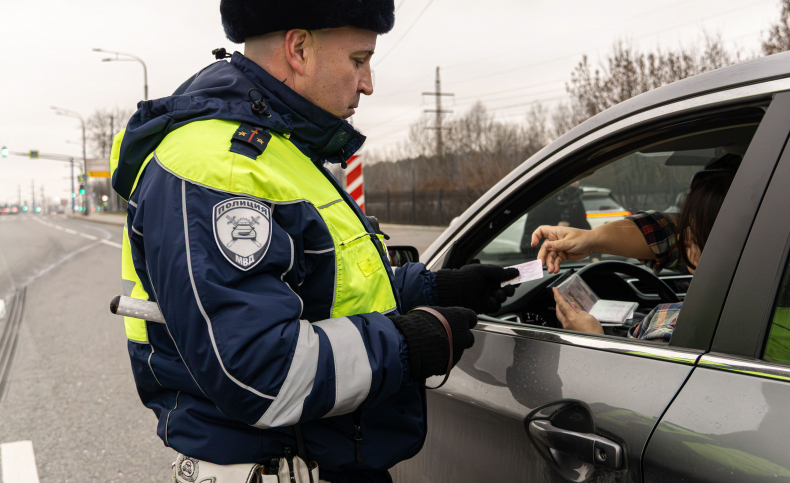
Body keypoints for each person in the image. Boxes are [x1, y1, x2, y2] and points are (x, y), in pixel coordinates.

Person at [109, 2, 518, 482]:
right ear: (299, 48)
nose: (368, 83)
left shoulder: (282, 150)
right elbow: (262, 372)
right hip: (279, 466)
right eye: (359, 61)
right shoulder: (222, 167)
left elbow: (322, 288)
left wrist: (431, 290)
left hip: (318, 459)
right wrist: (408, 343)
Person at [531, 168, 735, 342]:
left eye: (690, 234)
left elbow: (634, 383)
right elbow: (662, 234)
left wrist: (591, 338)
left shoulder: (668, 328)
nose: (680, 237)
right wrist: (592, 239)